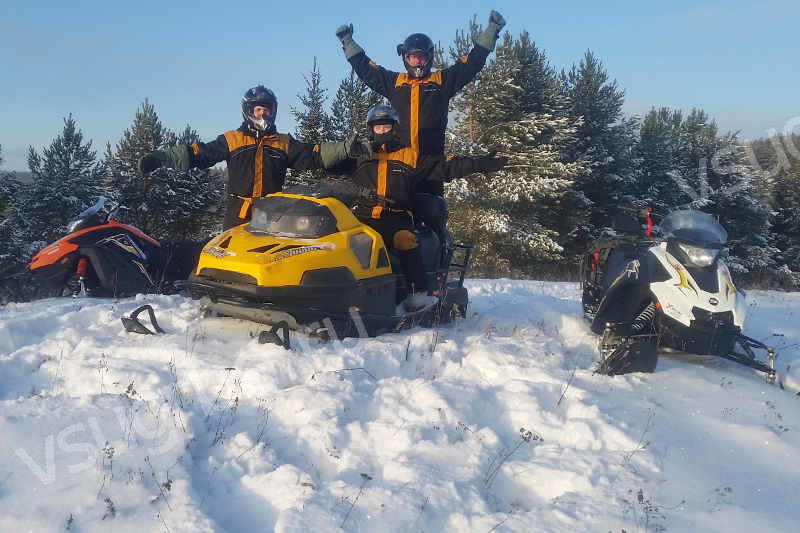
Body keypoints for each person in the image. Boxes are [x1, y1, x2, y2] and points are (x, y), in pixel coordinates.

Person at [330, 104, 506, 309]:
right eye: (377, 127)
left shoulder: (410, 156)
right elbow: (327, 162)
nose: (381, 131)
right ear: (371, 129)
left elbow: (446, 165)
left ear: (394, 128)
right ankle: (334, 291)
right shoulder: (359, 156)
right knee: (335, 242)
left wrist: (481, 164)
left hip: (395, 217)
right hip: (362, 216)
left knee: (404, 240)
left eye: (385, 127)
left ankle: (417, 293)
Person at [335, 11, 506, 204]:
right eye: (412, 57)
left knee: (432, 220)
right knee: (395, 217)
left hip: (431, 168)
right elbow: (367, 69)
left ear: (429, 57)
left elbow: (471, 63)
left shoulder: (441, 81)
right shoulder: (396, 83)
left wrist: (491, 31)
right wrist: (348, 42)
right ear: (405, 58)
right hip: (399, 169)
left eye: (422, 57)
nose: (417, 62)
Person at [138, 85, 365, 229]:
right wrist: (160, 158)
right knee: (231, 259)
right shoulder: (233, 139)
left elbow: (313, 155)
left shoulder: (283, 142)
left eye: (266, 109)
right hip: (238, 211)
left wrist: (345, 149)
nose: (263, 113)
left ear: (273, 111)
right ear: (249, 111)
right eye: (258, 109)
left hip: (273, 213)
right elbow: (199, 153)